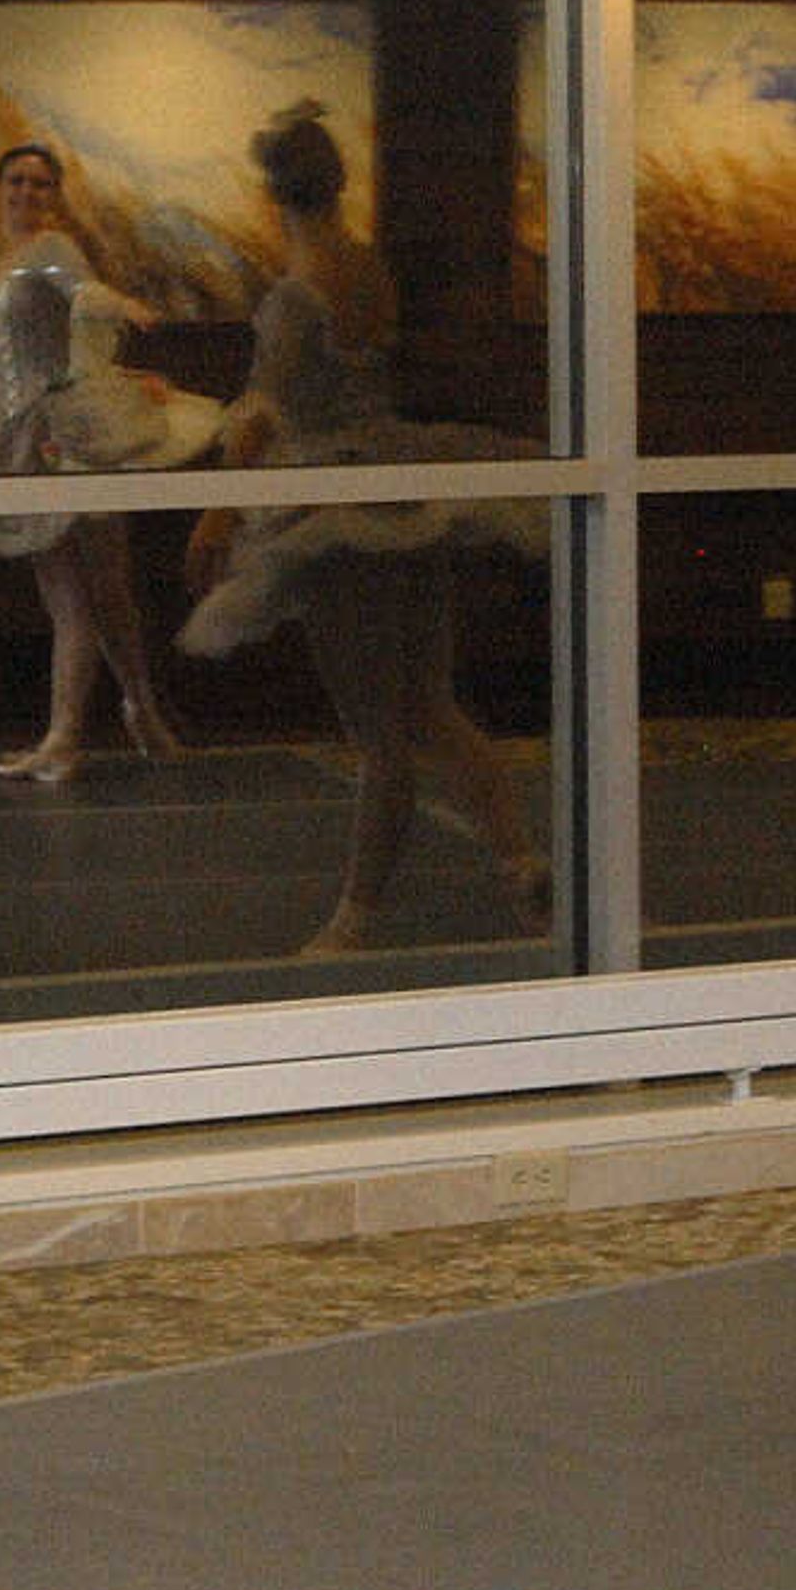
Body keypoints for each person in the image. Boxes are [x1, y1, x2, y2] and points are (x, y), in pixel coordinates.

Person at [178, 102, 549, 956]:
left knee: (382, 736)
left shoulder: (294, 295)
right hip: (399, 488)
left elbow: (264, 413)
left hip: (336, 512)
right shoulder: (368, 270)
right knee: (433, 705)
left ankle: (355, 918)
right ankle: (520, 858)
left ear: (273, 191)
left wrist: (217, 514)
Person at [0, 142, 214, 782]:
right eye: (18, 182)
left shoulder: (55, 251)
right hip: (20, 434)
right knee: (78, 593)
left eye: (41, 184)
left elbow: (85, 293)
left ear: (54, 195)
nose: (28, 193)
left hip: (71, 425)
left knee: (101, 588)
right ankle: (105, 724)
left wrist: (125, 306)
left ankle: (99, 724)